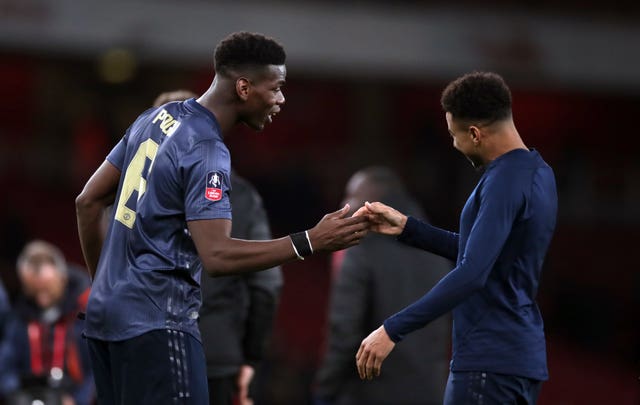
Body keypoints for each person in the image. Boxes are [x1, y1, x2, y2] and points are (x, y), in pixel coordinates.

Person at [75, 31, 369, 404]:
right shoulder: (207, 148)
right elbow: (217, 255)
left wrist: (105, 286)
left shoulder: (156, 118)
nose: (281, 100)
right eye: (276, 88)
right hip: (159, 325)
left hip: (104, 324)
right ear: (244, 88)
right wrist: (309, 241)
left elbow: (87, 201)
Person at [354, 72, 558, 404]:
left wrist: (392, 329)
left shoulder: (502, 181)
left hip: (487, 361)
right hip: (518, 359)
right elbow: (487, 255)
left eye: (454, 135)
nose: (453, 144)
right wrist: (409, 228)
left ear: (475, 134)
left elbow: (472, 272)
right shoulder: (539, 172)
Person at [152, 89, 283, 405]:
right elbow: (266, 286)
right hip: (215, 352)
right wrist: (250, 358)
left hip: (147, 348)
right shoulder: (243, 197)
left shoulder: (133, 190)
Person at [314, 166, 452, 405]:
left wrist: (325, 390)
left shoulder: (360, 254)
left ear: (372, 205)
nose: (344, 204)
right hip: (431, 393)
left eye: (350, 197)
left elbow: (344, 334)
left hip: (368, 395)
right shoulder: (441, 257)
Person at [1, 240, 93, 405]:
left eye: (47, 289)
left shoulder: (86, 312)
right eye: (34, 290)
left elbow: (97, 369)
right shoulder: (19, 318)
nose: (42, 299)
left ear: (62, 279)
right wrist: (18, 396)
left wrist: (78, 400)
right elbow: (6, 368)